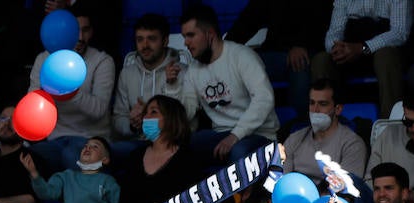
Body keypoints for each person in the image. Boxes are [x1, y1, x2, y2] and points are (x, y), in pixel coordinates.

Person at [180, 5, 278, 165]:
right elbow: (188, 111)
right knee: (180, 149)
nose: (186, 42)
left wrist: (235, 136)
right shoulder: (193, 70)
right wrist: (171, 88)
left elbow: (264, 99)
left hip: (259, 134)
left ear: (210, 34)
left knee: (238, 151)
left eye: (190, 35)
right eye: (184, 36)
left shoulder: (242, 56)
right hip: (220, 134)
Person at [26, 14, 116, 172]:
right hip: (55, 138)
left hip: (90, 139)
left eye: (85, 30)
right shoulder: (44, 59)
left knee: (71, 155)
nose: (80, 37)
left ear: (92, 32)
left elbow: (99, 110)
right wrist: (48, 88)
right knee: (26, 159)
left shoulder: (103, 61)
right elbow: (33, 108)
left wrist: (70, 91)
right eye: (75, 31)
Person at [111, 14, 197, 155]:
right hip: (136, 143)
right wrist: (132, 124)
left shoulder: (183, 71)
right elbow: (117, 121)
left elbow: (189, 119)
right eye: (140, 40)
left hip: (172, 144)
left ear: (165, 41)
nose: (145, 45)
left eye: (151, 39)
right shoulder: (127, 74)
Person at [311, 0, 412, 119]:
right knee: (321, 60)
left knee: (386, 57)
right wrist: (337, 48)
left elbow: (399, 33)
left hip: (385, 48)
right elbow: (334, 31)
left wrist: (363, 48)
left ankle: (389, 125)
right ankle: (324, 123)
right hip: (350, 49)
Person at [282, 79, 367, 184]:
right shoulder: (294, 139)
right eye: (312, 103)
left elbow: (346, 189)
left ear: (338, 109)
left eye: (323, 104)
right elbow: (283, 181)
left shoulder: (352, 144)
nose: (315, 110)